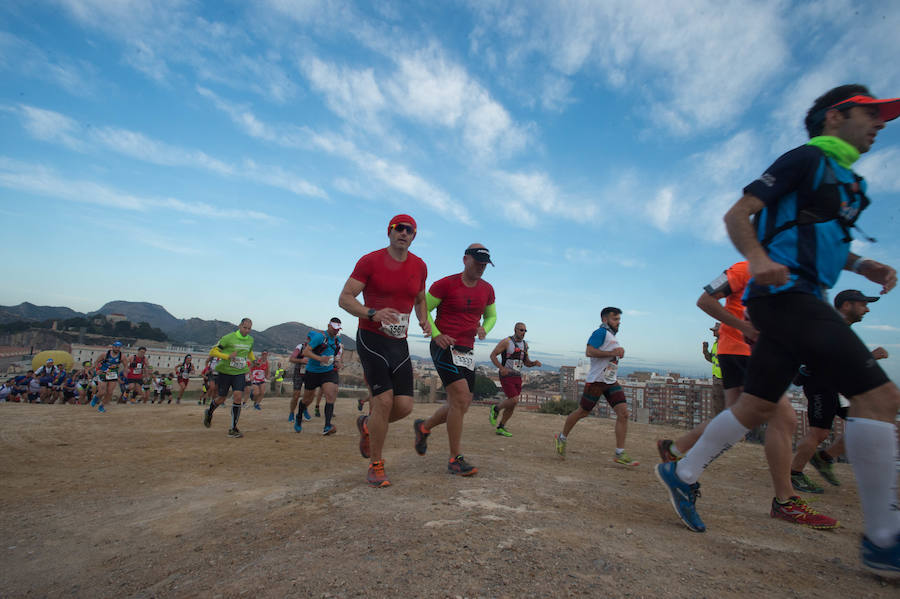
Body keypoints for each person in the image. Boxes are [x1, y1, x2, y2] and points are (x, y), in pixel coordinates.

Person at [655, 85, 900, 574]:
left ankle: (682, 471)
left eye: (884, 117)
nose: (881, 124)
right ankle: (883, 539)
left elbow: (820, 241)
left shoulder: (844, 181)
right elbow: (738, 214)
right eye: (870, 114)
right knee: (881, 399)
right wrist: (760, 261)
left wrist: (861, 264)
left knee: (757, 407)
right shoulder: (806, 160)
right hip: (788, 297)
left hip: (797, 299)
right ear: (835, 116)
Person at [658, 261, 833, 529]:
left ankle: (677, 453)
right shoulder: (746, 268)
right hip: (742, 350)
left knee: (736, 419)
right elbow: (705, 300)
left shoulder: (790, 275)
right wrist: (747, 329)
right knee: (784, 416)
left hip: (743, 352)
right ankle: (784, 500)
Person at [338, 214, 429, 487]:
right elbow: (344, 298)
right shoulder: (370, 261)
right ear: (389, 232)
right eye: (398, 228)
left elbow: (420, 298)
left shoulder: (420, 266)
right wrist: (372, 313)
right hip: (371, 338)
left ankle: (368, 425)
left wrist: (424, 319)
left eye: (409, 230)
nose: (403, 233)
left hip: (398, 341)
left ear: (414, 236)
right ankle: (376, 464)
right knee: (384, 400)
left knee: (405, 406)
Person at [790, 290, 890, 493]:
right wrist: (871, 357)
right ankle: (794, 474)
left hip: (836, 386)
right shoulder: (830, 326)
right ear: (846, 305)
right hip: (820, 384)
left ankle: (824, 457)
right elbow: (827, 359)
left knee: (867, 420)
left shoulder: (840, 327)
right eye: (863, 304)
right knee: (819, 431)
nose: (867, 309)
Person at [415, 244, 496, 477]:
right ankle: (455, 459)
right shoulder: (445, 284)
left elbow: (492, 315)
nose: (481, 267)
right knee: (460, 397)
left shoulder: (487, 289)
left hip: (466, 351)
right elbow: (424, 308)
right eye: (477, 262)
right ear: (465, 260)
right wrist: (437, 334)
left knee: (461, 404)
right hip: (444, 346)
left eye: (485, 264)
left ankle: (423, 427)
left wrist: (484, 328)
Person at [553, 307, 639, 467]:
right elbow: (589, 351)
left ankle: (620, 453)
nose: (618, 322)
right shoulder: (600, 333)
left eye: (619, 319)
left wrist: (618, 352)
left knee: (624, 413)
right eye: (615, 319)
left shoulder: (612, 336)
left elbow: (611, 353)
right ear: (605, 320)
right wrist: (612, 352)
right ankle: (562, 437)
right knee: (582, 412)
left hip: (610, 381)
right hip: (596, 381)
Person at [203, 318, 256, 438]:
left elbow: (249, 352)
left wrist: (254, 360)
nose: (246, 331)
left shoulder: (251, 340)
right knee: (221, 398)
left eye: (249, 329)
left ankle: (233, 428)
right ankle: (209, 411)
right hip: (225, 372)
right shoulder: (228, 338)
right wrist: (227, 356)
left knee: (238, 396)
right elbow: (213, 351)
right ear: (239, 326)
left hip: (240, 372)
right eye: (245, 328)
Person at [488, 322, 542, 436]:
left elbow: (526, 362)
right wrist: (501, 368)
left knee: (512, 404)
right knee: (514, 399)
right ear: (515, 330)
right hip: (506, 375)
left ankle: (501, 427)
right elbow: (493, 355)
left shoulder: (525, 345)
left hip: (517, 376)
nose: (523, 333)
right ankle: (495, 409)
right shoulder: (507, 342)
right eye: (521, 330)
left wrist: (534, 363)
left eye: (525, 331)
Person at [295, 318, 343, 436]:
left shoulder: (337, 341)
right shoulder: (320, 337)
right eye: (334, 329)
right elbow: (306, 352)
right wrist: (321, 359)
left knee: (330, 394)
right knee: (307, 399)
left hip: (328, 372)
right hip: (313, 371)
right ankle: (299, 416)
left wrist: (337, 362)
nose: (336, 331)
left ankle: (327, 425)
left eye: (338, 329)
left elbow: (336, 355)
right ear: (329, 326)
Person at [92, 341, 125, 413]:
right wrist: (97, 370)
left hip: (113, 375)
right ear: (113, 347)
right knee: (102, 392)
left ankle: (101, 406)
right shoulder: (105, 354)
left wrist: (125, 373)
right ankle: (96, 398)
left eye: (119, 347)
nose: (117, 349)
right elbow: (96, 362)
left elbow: (126, 366)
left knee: (110, 392)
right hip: (103, 373)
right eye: (116, 347)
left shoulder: (122, 356)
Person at [702, 323, 725, 415]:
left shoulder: (724, 343)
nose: (713, 332)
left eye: (715, 330)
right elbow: (712, 359)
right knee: (717, 404)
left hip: (723, 379)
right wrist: (705, 350)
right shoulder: (716, 343)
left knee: (721, 406)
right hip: (717, 378)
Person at [288, 341, 311, 424]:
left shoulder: (316, 348)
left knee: (309, 394)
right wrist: (301, 360)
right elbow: (291, 359)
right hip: (299, 371)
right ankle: (291, 413)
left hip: (310, 372)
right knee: (296, 395)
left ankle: (304, 408)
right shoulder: (300, 347)